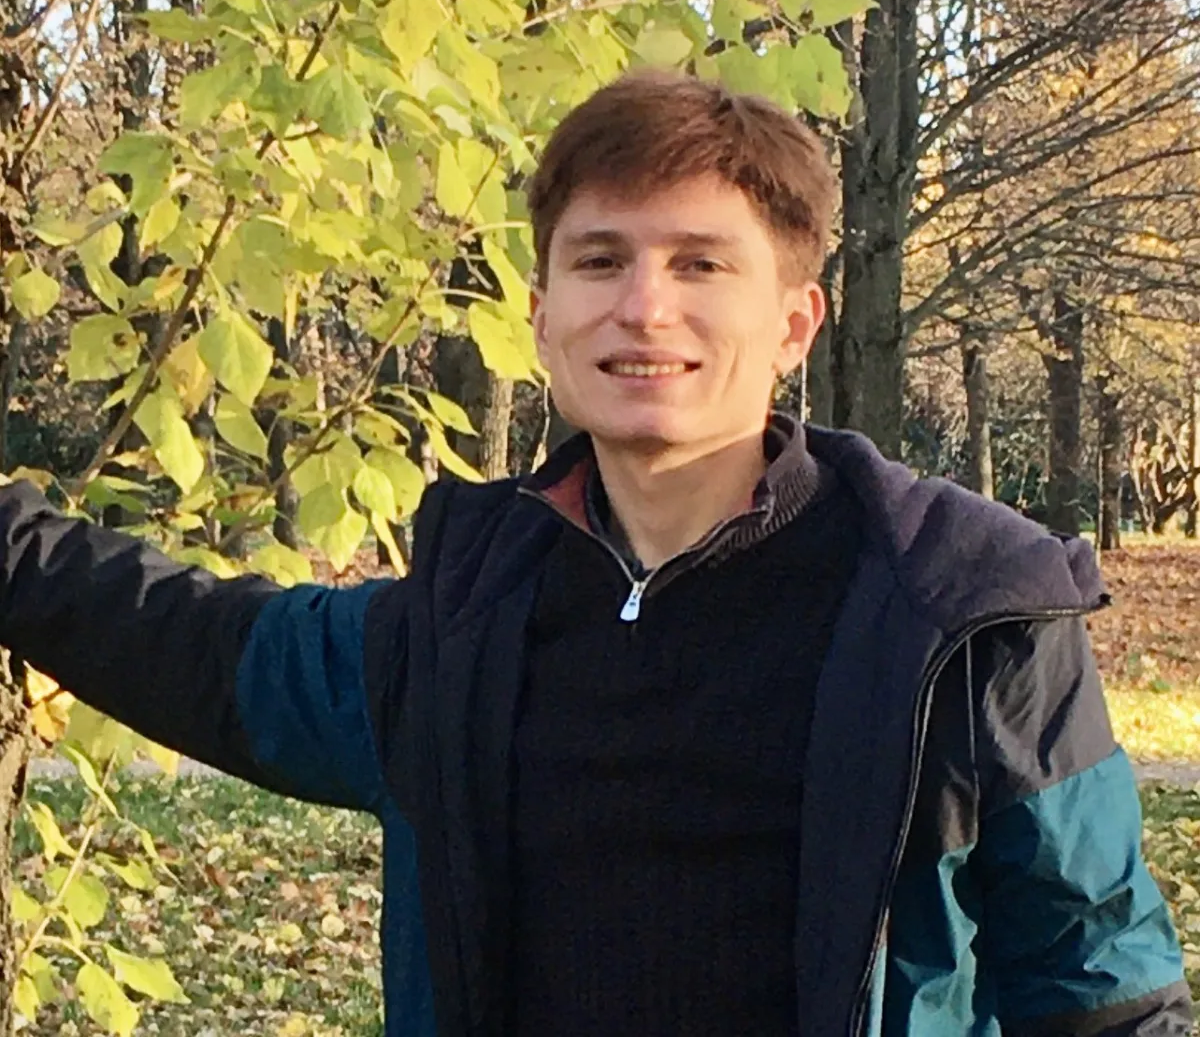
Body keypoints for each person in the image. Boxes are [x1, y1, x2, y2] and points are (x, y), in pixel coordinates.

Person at [0, 70, 1191, 1037]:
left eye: (700, 263)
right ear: (543, 314)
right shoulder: (466, 614)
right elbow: (203, 649)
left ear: (793, 321)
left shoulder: (963, 613)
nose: (645, 307)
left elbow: (1104, 992)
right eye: (601, 259)